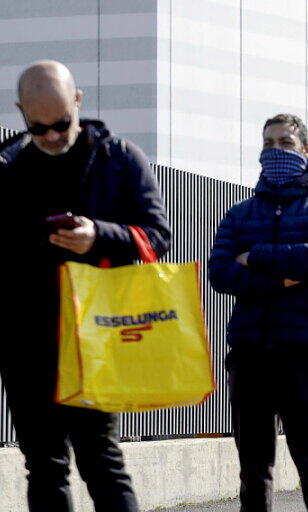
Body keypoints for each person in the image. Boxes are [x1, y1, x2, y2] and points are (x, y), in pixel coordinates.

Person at [0, 60, 171, 512]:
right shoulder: (7, 165)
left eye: (61, 123)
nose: (53, 136)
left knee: (102, 460)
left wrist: (99, 235)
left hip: (96, 334)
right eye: (39, 127)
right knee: (44, 464)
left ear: (78, 101)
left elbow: (158, 234)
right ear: (21, 113)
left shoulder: (118, 159)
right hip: (25, 340)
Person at [209, 113, 308, 512]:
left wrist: (254, 256)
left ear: (306, 149)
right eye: (268, 144)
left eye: (285, 143)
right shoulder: (240, 213)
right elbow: (220, 272)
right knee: (253, 470)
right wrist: (279, 279)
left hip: (304, 350)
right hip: (250, 351)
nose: (275, 151)